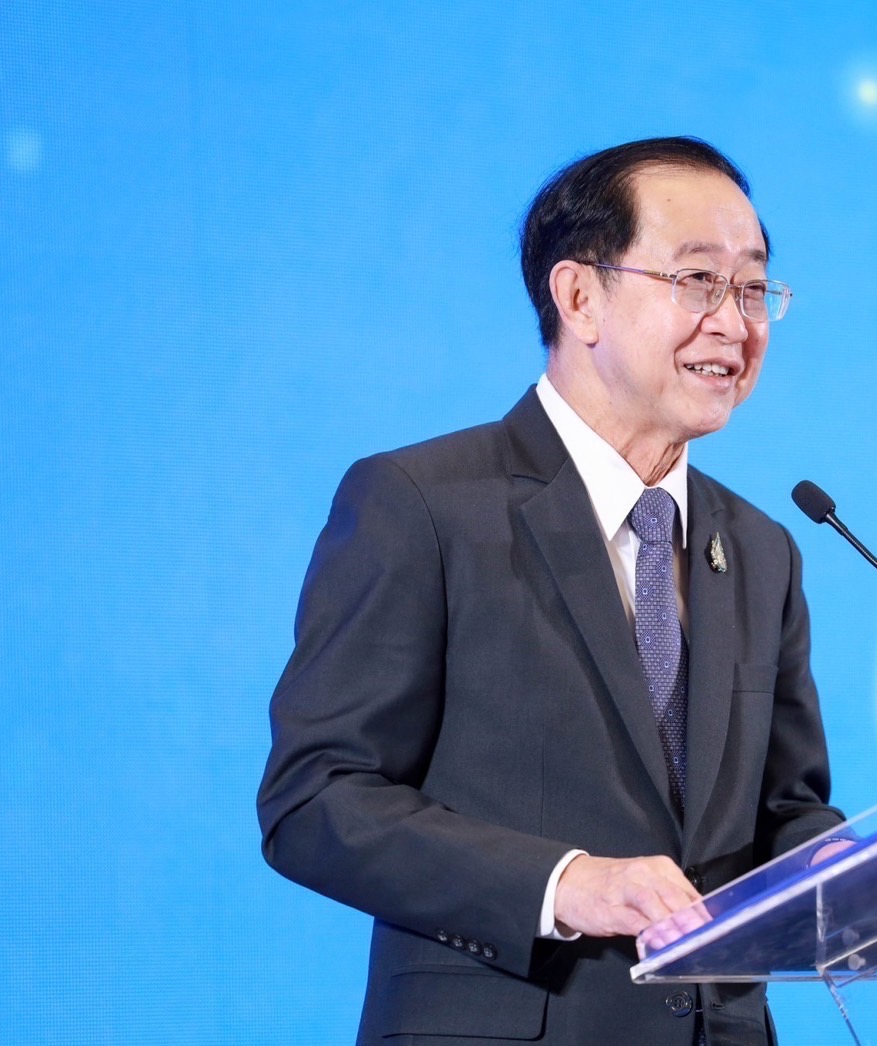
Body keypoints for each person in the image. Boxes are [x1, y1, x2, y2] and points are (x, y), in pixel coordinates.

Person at [258, 136, 844, 1045]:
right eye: (698, 281)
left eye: (754, 288)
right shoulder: (423, 505)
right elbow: (317, 799)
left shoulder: (762, 549)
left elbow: (784, 816)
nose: (735, 323)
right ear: (579, 297)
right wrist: (566, 883)